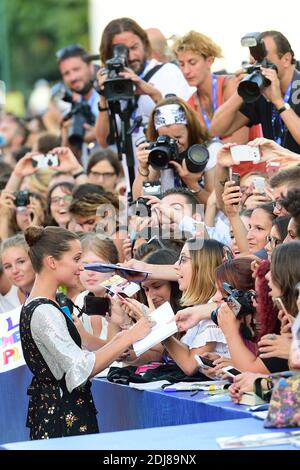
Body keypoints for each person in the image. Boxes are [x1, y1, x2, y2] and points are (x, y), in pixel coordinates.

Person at [19, 225, 152, 439]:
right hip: (63, 420)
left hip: (62, 412)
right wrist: (129, 335)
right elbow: (80, 367)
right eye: (76, 259)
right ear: (52, 262)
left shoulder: (42, 305)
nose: (81, 268)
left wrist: (118, 339)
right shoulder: (44, 311)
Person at [95, 17, 192, 153]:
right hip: (135, 173)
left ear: (144, 44)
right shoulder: (111, 83)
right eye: (121, 51)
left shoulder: (167, 72)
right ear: (109, 54)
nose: (131, 56)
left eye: (134, 47)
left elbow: (188, 127)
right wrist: (103, 97)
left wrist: (152, 93)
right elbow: (104, 141)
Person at [211, 31, 300, 153]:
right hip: (276, 170)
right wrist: (244, 89)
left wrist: (279, 102)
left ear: (286, 59)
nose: (261, 68)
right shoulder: (263, 90)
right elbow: (217, 129)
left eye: (265, 62)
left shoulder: (297, 86)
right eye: (255, 63)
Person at [132, 96, 213, 204]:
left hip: (202, 219)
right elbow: (140, 204)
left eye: (178, 137)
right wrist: (143, 169)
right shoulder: (158, 156)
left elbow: (215, 207)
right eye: (166, 138)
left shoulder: (210, 150)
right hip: (169, 218)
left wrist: (192, 184)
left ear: (191, 131)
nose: (174, 143)